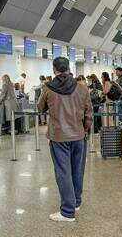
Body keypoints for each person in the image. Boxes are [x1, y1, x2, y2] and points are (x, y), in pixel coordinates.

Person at [38, 57, 93, 222]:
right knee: (77, 169)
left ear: (54, 69)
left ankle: (67, 212)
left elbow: (40, 108)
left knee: (63, 172)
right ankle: (76, 202)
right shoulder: (82, 88)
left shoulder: (48, 88)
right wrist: (85, 130)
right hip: (78, 135)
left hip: (59, 136)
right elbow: (89, 113)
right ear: (68, 69)